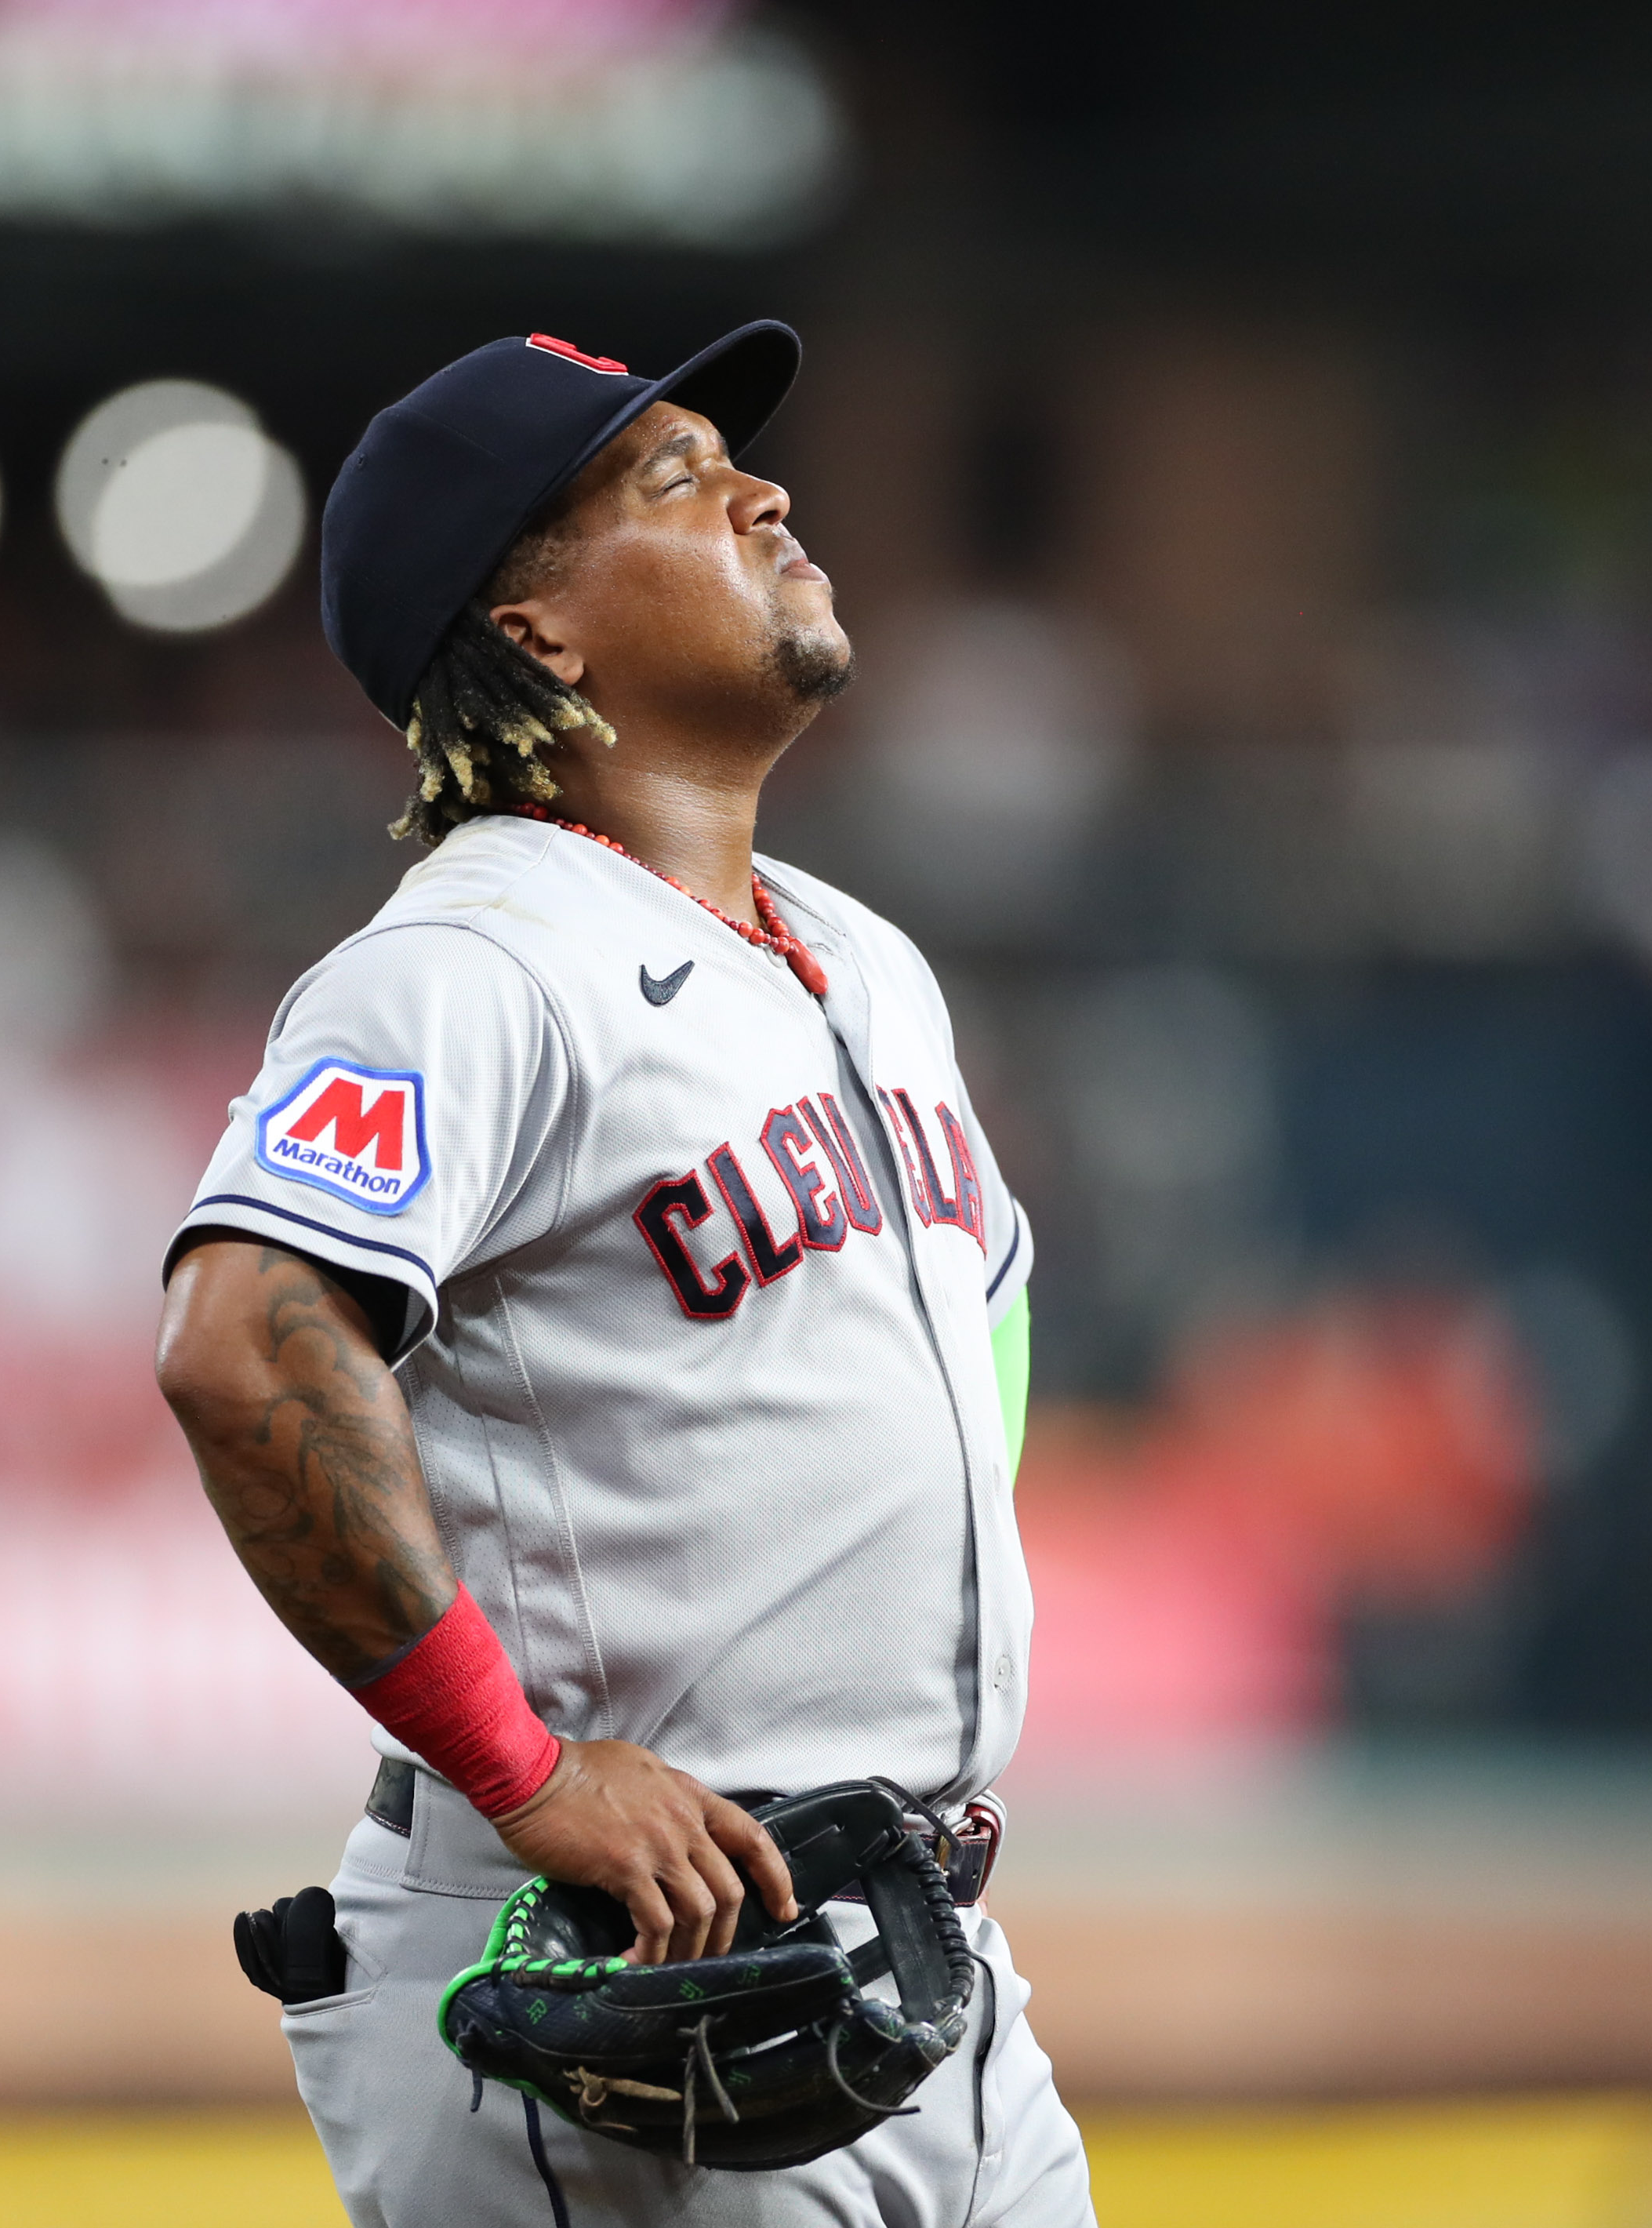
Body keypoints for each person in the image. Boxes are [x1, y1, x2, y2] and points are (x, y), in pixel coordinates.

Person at [154, 322, 1094, 2226]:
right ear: (539, 632)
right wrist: (522, 1766)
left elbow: (978, 1305)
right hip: (634, 1970)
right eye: (670, 479)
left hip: (903, 1952)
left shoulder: (861, 956)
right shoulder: (475, 960)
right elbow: (247, 1342)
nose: (763, 488)